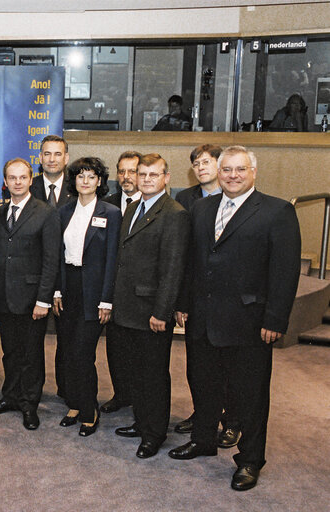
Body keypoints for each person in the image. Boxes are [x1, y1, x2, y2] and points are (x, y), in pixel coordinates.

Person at [169, 146, 301, 492]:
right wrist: (183, 302)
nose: (232, 175)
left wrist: (275, 319)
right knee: (203, 384)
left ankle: (250, 460)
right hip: (202, 318)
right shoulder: (201, 208)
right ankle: (202, 440)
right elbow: (191, 261)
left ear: (253, 172)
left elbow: (285, 272)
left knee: (250, 396)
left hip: (249, 322)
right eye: (226, 169)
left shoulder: (277, 211)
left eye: (240, 169)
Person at [112, 153, 190, 459]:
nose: (146, 179)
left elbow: (173, 268)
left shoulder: (174, 213)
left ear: (166, 178)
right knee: (135, 372)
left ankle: (154, 434)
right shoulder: (133, 207)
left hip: (151, 311)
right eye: (141, 174)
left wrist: (162, 311)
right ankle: (142, 422)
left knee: (154, 375)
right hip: (127, 307)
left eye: (153, 175)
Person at [0, 158, 59, 430]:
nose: (17, 182)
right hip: (3, 297)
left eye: (22, 177)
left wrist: (43, 299)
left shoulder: (46, 212)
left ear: (30, 179)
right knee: (9, 352)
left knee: (31, 354)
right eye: (12, 178)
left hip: (31, 299)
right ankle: (10, 396)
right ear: (5, 182)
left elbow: (52, 260)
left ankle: (29, 403)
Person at [173, 144, 241, 449]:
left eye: (206, 162)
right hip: (197, 296)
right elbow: (185, 256)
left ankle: (232, 422)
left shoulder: (239, 199)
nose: (201, 168)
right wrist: (182, 301)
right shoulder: (186, 200)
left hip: (229, 301)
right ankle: (204, 415)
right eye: (196, 164)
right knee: (197, 367)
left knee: (228, 369)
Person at [52, 157, 121, 436]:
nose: (85, 181)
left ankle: (89, 410)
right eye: (80, 176)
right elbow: (57, 253)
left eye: (91, 177)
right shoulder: (64, 211)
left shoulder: (111, 212)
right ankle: (74, 404)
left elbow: (113, 258)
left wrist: (107, 299)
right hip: (68, 287)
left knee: (83, 353)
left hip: (94, 291)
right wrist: (56, 289)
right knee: (67, 350)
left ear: (100, 182)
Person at [29, 134, 74, 400]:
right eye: (47, 154)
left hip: (70, 275)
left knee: (67, 341)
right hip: (33, 276)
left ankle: (67, 390)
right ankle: (31, 392)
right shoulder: (26, 185)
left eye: (58, 154)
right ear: (40, 158)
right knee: (31, 342)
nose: (52, 159)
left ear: (66, 158)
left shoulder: (79, 186)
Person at [100, 150, 141, 415]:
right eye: (122, 171)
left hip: (139, 293)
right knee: (115, 348)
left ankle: (141, 398)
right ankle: (121, 393)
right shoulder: (108, 203)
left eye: (133, 171)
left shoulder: (154, 205)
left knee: (139, 351)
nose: (126, 177)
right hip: (111, 288)